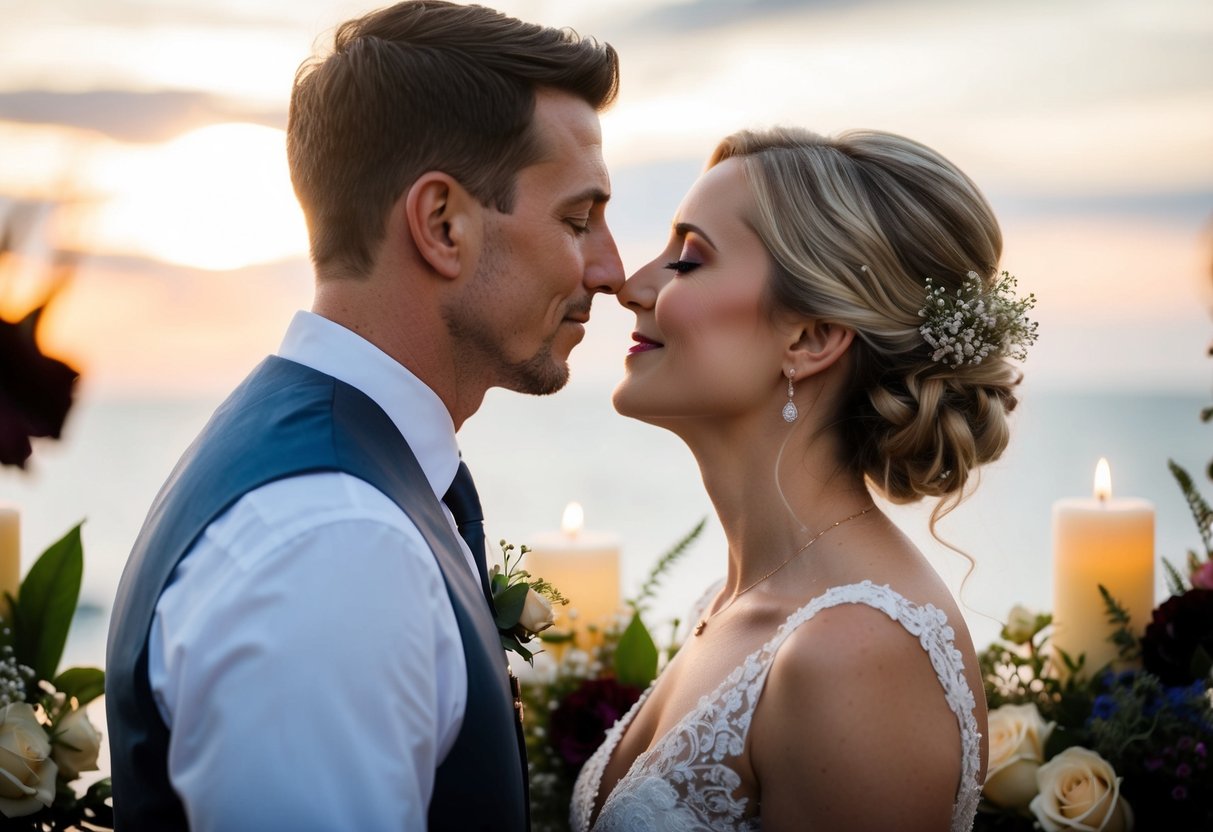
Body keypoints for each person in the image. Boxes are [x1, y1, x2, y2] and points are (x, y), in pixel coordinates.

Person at [105, 2, 623, 828]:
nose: (610, 269)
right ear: (442, 224)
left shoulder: (327, 474)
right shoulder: (333, 542)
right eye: (576, 219)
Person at [573, 127, 1037, 831]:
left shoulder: (854, 655)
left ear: (810, 339)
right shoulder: (731, 601)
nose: (633, 286)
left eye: (689, 260)